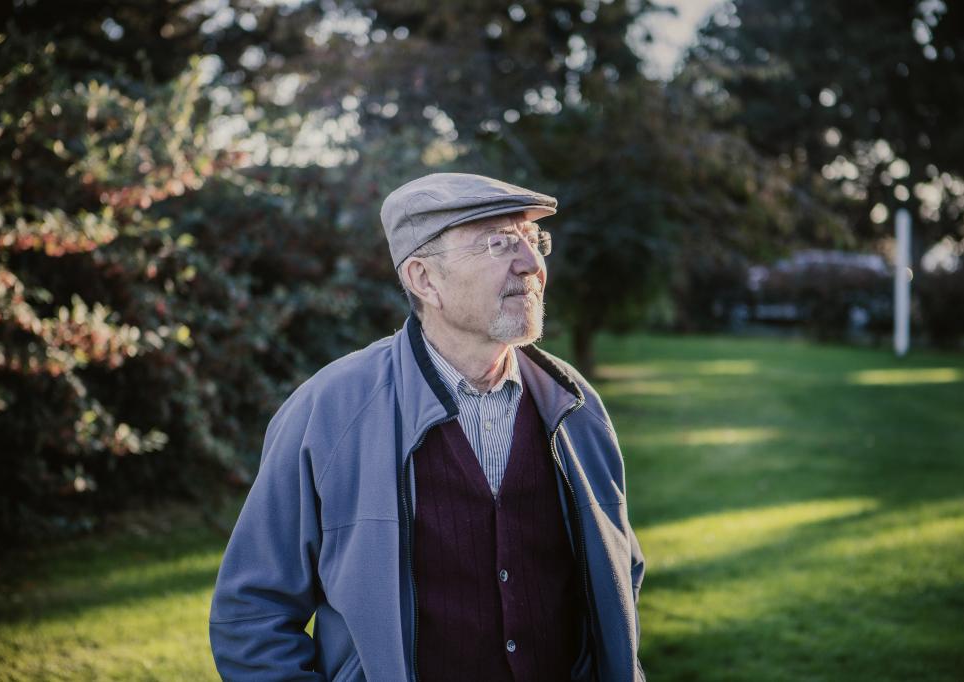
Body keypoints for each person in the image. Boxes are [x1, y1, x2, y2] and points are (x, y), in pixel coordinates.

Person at [209, 172, 645, 681]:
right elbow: (252, 617)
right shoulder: (328, 413)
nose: (531, 263)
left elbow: (619, 574)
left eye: (532, 238)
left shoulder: (574, 406)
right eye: (498, 242)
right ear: (423, 279)